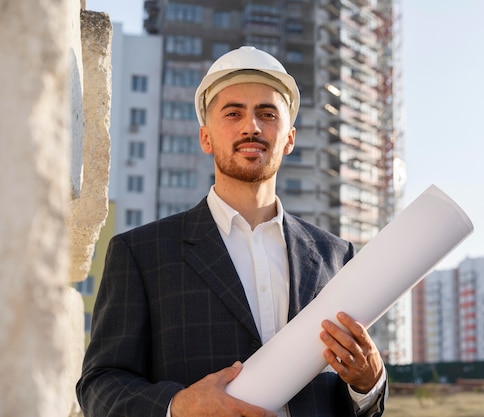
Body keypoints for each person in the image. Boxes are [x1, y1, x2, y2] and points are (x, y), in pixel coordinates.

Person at [76, 46, 387, 417]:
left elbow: (359, 403)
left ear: (289, 139)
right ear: (206, 137)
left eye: (267, 113)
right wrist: (178, 406)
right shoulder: (141, 254)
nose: (251, 126)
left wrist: (369, 384)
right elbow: (100, 386)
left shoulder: (338, 257)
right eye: (233, 113)